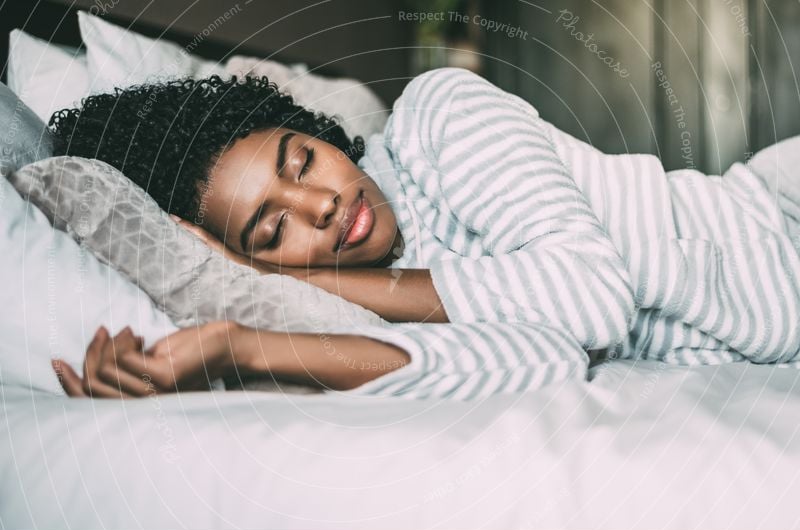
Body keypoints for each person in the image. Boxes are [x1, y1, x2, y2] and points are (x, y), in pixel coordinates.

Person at [47, 67, 800, 401]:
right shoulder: (375, 298)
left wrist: (287, 277)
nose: (319, 207)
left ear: (318, 132)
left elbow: (593, 296)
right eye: (273, 230)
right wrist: (241, 345)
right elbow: (544, 358)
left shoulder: (441, 116)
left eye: (302, 159)